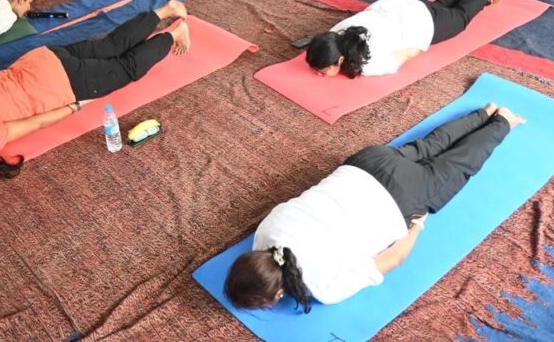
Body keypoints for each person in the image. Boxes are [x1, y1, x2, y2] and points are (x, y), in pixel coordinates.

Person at [224, 100, 524, 310]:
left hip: (400, 197)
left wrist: (417, 225)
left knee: (456, 166)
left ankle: (503, 121)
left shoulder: (322, 288)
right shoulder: (264, 235)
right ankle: (483, 112)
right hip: (363, 163)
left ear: (278, 294)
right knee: (426, 148)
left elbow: (393, 259)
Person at [0, 0, 191, 177]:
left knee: (127, 68)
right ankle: (166, 9)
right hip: (42, 59)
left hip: (62, 84)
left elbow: (36, 122)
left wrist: (73, 107)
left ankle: (174, 32)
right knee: (110, 46)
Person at [305, 0, 502, 78]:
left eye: (322, 71)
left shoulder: (367, 63)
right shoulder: (336, 32)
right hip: (395, 4)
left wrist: (421, 41)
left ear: (340, 59)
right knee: (439, 9)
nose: (317, 75)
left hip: (416, 21)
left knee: (460, 18)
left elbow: (407, 54)